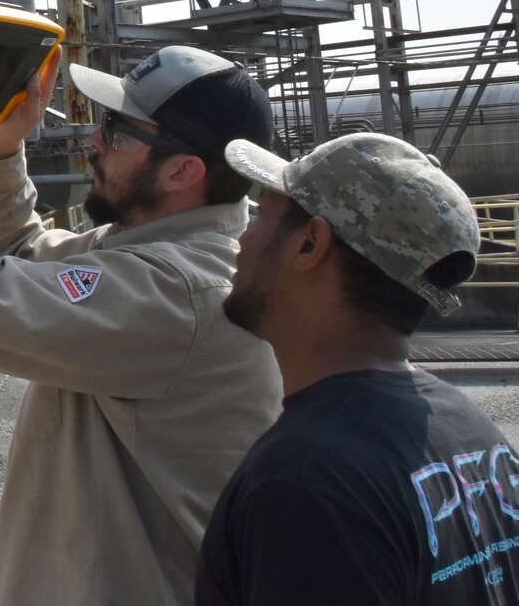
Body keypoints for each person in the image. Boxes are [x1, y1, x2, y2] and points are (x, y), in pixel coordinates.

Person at [0, 12, 284, 606]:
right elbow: (22, 257)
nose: (93, 138)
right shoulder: (157, 254)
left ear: (183, 171)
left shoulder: (176, 294)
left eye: (116, 129)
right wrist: (2, 147)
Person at [197, 132, 503, 605]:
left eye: (262, 214)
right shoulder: (474, 434)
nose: (242, 236)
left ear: (310, 244)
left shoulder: (303, 483)